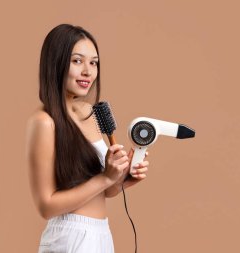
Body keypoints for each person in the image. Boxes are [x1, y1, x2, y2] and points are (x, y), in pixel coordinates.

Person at [25, 24, 149, 253]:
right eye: (77, 61)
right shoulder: (44, 122)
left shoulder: (89, 113)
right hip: (69, 238)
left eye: (93, 63)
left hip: (101, 234)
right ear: (56, 63)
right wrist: (104, 178)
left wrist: (122, 179)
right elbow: (46, 206)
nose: (88, 72)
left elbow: (103, 192)